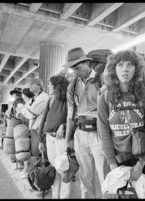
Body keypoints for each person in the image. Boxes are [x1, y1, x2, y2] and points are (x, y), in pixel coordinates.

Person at [97, 49, 145, 182]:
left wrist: (140, 165)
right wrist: (113, 167)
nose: (125, 69)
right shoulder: (105, 98)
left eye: (130, 65)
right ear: (114, 70)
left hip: (142, 161)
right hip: (114, 161)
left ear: (136, 69)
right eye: (120, 65)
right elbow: (104, 134)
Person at [63, 47, 109, 198]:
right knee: (85, 175)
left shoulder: (102, 79)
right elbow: (70, 115)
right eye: (72, 69)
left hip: (99, 133)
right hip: (80, 134)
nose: (75, 72)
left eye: (77, 67)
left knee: (105, 175)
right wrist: (68, 139)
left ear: (87, 63)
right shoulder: (72, 86)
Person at [37, 75, 73, 199]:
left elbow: (73, 119)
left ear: (57, 86)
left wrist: (63, 125)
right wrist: (40, 140)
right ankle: (55, 196)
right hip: (49, 138)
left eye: (51, 85)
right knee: (53, 169)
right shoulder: (51, 100)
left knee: (63, 169)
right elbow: (43, 121)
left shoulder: (68, 100)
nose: (49, 87)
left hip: (61, 140)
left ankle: (64, 197)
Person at [16, 78, 49, 186]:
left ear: (39, 85)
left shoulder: (43, 97)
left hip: (39, 130)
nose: (29, 86)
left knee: (37, 155)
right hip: (33, 129)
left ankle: (39, 180)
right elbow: (26, 110)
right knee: (34, 154)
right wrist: (24, 110)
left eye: (32, 84)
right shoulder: (35, 98)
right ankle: (33, 176)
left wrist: (23, 110)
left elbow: (31, 113)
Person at [16, 88, 35, 178]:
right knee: (26, 150)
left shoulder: (31, 104)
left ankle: (28, 171)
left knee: (28, 152)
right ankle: (25, 170)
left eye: (23, 96)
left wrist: (20, 113)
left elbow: (27, 117)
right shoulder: (28, 103)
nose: (23, 97)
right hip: (29, 128)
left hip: (31, 129)